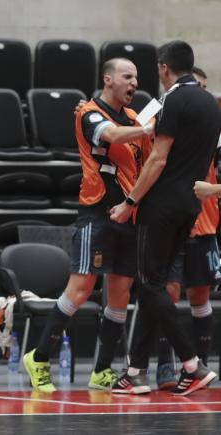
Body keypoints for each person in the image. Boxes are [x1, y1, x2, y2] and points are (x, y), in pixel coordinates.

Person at [22, 58, 155, 393]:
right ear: (108, 79)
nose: (134, 83)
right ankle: (38, 358)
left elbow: (152, 152)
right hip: (96, 214)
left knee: (120, 295)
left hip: (129, 215)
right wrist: (146, 128)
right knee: (80, 291)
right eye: (128, 76)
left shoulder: (135, 117)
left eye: (137, 78)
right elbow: (110, 135)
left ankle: (102, 370)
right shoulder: (90, 113)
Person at [109, 40, 221, 396]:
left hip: (162, 204)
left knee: (150, 284)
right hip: (191, 204)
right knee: (153, 284)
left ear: (162, 67)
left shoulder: (173, 98)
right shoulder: (209, 101)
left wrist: (129, 201)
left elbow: (157, 158)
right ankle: (135, 371)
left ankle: (191, 364)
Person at [155, 65, 219, 390]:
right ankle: (166, 365)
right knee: (168, 293)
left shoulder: (213, 126)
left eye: (204, 89)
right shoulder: (166, 117)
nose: (200, 95)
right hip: (172, 219)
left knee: (199, 293)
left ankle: (197, 367)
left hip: (203, 222)